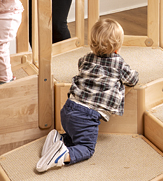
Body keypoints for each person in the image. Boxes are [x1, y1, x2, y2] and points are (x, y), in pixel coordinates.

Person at [36, 18, 138, 172]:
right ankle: (62, 155)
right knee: (86, 148)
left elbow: (81, 67)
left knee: (75, 136)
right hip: (86, 116)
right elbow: (133, 79)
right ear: (117, 47)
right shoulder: (119, 63)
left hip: (68, 109)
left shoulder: (85, 59)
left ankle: (59, 139)